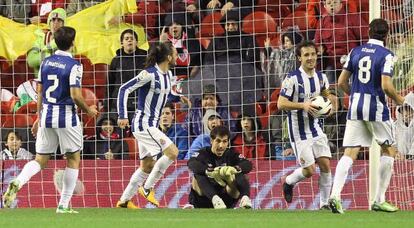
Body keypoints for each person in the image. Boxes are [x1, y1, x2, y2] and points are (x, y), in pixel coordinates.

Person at [2, 26, 99, 213]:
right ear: (73, 43)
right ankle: (63, 205)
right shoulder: (74, 65)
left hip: (46, 115)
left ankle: (18, 181)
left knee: (40, 160)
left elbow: (39, 92)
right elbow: (75, 95)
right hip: (66, 117)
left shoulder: (46, 62)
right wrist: (88, 110)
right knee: (73, 159)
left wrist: (38, 117)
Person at [329, 19, 406, 214]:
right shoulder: (387, 55)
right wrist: (400, 100)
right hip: (376, 108)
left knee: (350, 152)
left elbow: (341, 82)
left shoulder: (355, 51)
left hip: (355, 107)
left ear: (368, 31)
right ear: (387, 35)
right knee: (389, 151)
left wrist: (354, 96)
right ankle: (379, 199)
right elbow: (387, 86)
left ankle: (335, 195)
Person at [116, 42, 191, 209]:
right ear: (168, 57)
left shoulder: (167, 74)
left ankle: (124, 200)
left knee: (147, 165)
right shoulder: (148, 74)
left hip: (150, 126)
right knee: (172, 152)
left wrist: (178, 98)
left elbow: (162, 95)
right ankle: (148, 188)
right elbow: (124, 89)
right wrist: (122, 115)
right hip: (143, 124)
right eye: (175, 53)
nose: (177, 56)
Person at [277, 40, 338, 209]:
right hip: (298, 130)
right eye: (306, 55)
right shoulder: (292, 79)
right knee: (310, 170)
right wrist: (302, 105)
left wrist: (330, 106)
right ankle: (289, 181)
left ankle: (324, 204)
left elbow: (326, 97)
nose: (310, 58)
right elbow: (281, 104)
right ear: (299, 58)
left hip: (316, 127)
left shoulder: (321, 77)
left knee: (326, 164)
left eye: (313, 54)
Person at [187, 126, 253, 209]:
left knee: (238, 172)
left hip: (225, 201)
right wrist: (208, 171)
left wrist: (235, 168)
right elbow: (191, 163)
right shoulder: (203, 153)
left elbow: (248, 164)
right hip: (203, 200)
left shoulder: (231, 154)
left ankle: (245, 199)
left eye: (224, 141)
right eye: (218, 141)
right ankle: (215, 199)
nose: (221, 146)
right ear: (211, 141)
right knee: (198, 174)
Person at [314, 0, 368, 83]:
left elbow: (365, 39)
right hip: (332, 64)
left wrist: (360, 58)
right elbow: (318, 45)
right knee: (328, 88)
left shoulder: (354, 18)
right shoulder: (322, 23)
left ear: (341, 4)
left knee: (352, 87)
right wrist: (319, 50)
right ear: (324, 6)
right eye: (329, 3)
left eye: (335, 2)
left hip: (353, 63)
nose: (332, 6)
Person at [107, 29, 147, 113]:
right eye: (126, 38)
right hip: (118, 103)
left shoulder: (145, 59)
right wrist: (107, 104)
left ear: (136, 42)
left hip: (139, 103)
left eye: (132, 38)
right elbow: (110, 83)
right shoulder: (116, 60)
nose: (129, 40)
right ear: (122, 43)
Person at [27, 8, 66, 77]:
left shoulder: (68, 40)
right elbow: (31, 61)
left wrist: (42, 53)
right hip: (40, 81)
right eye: (53, 20)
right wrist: (51, 54)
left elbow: (65, 62)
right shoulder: (40, 39)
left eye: (59, 20)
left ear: (64, 24)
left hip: (61, 80)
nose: (56, 23)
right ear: (49, 23)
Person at [394, 93, 414, 159]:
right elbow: (393, 143)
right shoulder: (396, 125)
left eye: (408, 109)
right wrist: (395, 153)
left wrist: (406, 157)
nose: (405, 114)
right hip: (399, 162)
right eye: (402, 110)